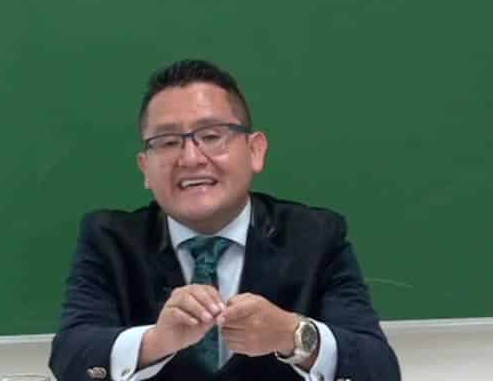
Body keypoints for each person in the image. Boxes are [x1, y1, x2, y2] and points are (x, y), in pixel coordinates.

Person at [49, 59, 401, 381]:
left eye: (211, 136)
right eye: (168, 142)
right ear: (145, 168)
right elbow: (71, 358)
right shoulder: (110, 239)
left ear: (255, 151)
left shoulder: (315, 237)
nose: (190, 158)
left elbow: (378, 369)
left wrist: (292, 335)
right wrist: (157, 341)